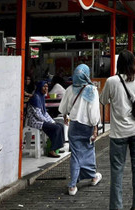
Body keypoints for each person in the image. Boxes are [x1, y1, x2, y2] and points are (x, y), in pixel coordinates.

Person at [100, 50, 135, 210]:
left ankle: (116, 207)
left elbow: (103, 100)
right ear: (133, 64)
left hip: (117, 134)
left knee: (116, 171)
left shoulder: (111, 81)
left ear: (118, 64)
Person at [59, 64, 101, 196]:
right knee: (88, 151)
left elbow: (63, 107)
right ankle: (87, 178)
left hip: (74, 126)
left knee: (76, 154)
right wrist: (95, 127)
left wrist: (66, 115)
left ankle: (78, 183)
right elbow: (94, 112)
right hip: (87, 126)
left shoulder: (70, 89)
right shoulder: (92, 90)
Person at [25, 81, 65, 158]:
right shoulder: (35, 98)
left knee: (60, 125)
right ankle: (51, 150)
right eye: (44, 86)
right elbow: (38, 115)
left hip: (41, 121)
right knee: (56, 128)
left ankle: (57, 147)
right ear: (40, 87)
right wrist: (49, 122)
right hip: (35, 122)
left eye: (47, 86)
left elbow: (45, 113)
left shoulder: (41, 97)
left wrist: (52, 121)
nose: (46, 88)